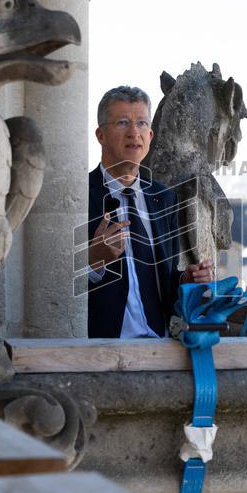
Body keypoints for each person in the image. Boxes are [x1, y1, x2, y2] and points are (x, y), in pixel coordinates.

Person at [87, 86, 213, 338]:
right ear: (100, 135)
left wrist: (184, 281)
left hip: (159, 344)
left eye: (142, 123)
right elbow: (50, 287)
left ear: (151, 134)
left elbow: (163, 283)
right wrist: (92, 261)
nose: (134, 133)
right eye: (123, 122)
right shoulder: (77, 197)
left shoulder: (164, 198)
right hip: (101, 347)